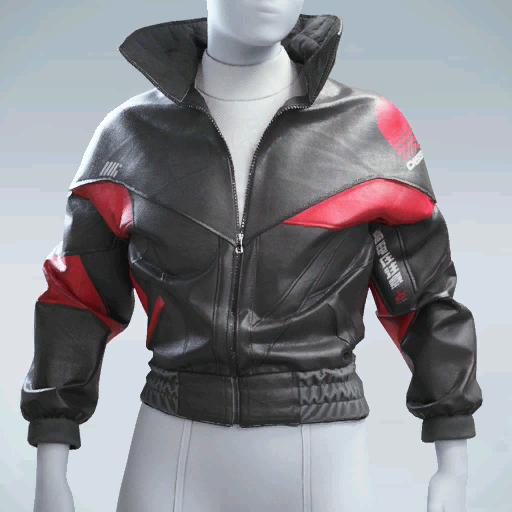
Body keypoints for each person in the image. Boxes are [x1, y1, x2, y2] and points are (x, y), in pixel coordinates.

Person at [21, 1, 482, 511]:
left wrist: (452, 458)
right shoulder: (129, 135)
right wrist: (51, 460)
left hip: (321, 459)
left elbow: (425, 299)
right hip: (171, 452)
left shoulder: (369, 129)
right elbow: (77, 301)